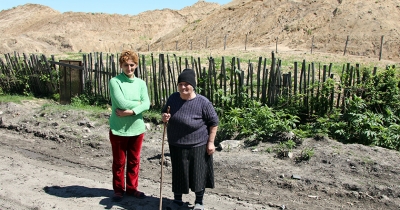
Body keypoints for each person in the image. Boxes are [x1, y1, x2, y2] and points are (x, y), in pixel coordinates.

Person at [161, 69, 219, 210]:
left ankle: (199, 202)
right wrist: (164, 118)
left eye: (186, 84)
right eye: (180, 84)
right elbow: (164, 112)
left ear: (193, 85)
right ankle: (177, 201)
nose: (183, 87)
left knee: (198, 174)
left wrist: (211, 142)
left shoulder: (203, 102)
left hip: (198, 145)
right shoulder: (173, 98)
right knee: (179, 173)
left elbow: (214, 122)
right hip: (176, 144)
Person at [108, 50, 150, 202]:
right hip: (119, 128)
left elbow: (148, 104)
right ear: (121, 65)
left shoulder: (141, 83)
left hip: (137, 128)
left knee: (134, 161)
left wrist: (130, 112)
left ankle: (132, 188)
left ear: (136, 65)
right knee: (119, 162)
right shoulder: (115, 81)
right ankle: (118, 189)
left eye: (132, 65)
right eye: (126, 65)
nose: (129, 68)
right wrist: (139, 105)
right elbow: (121, 103)